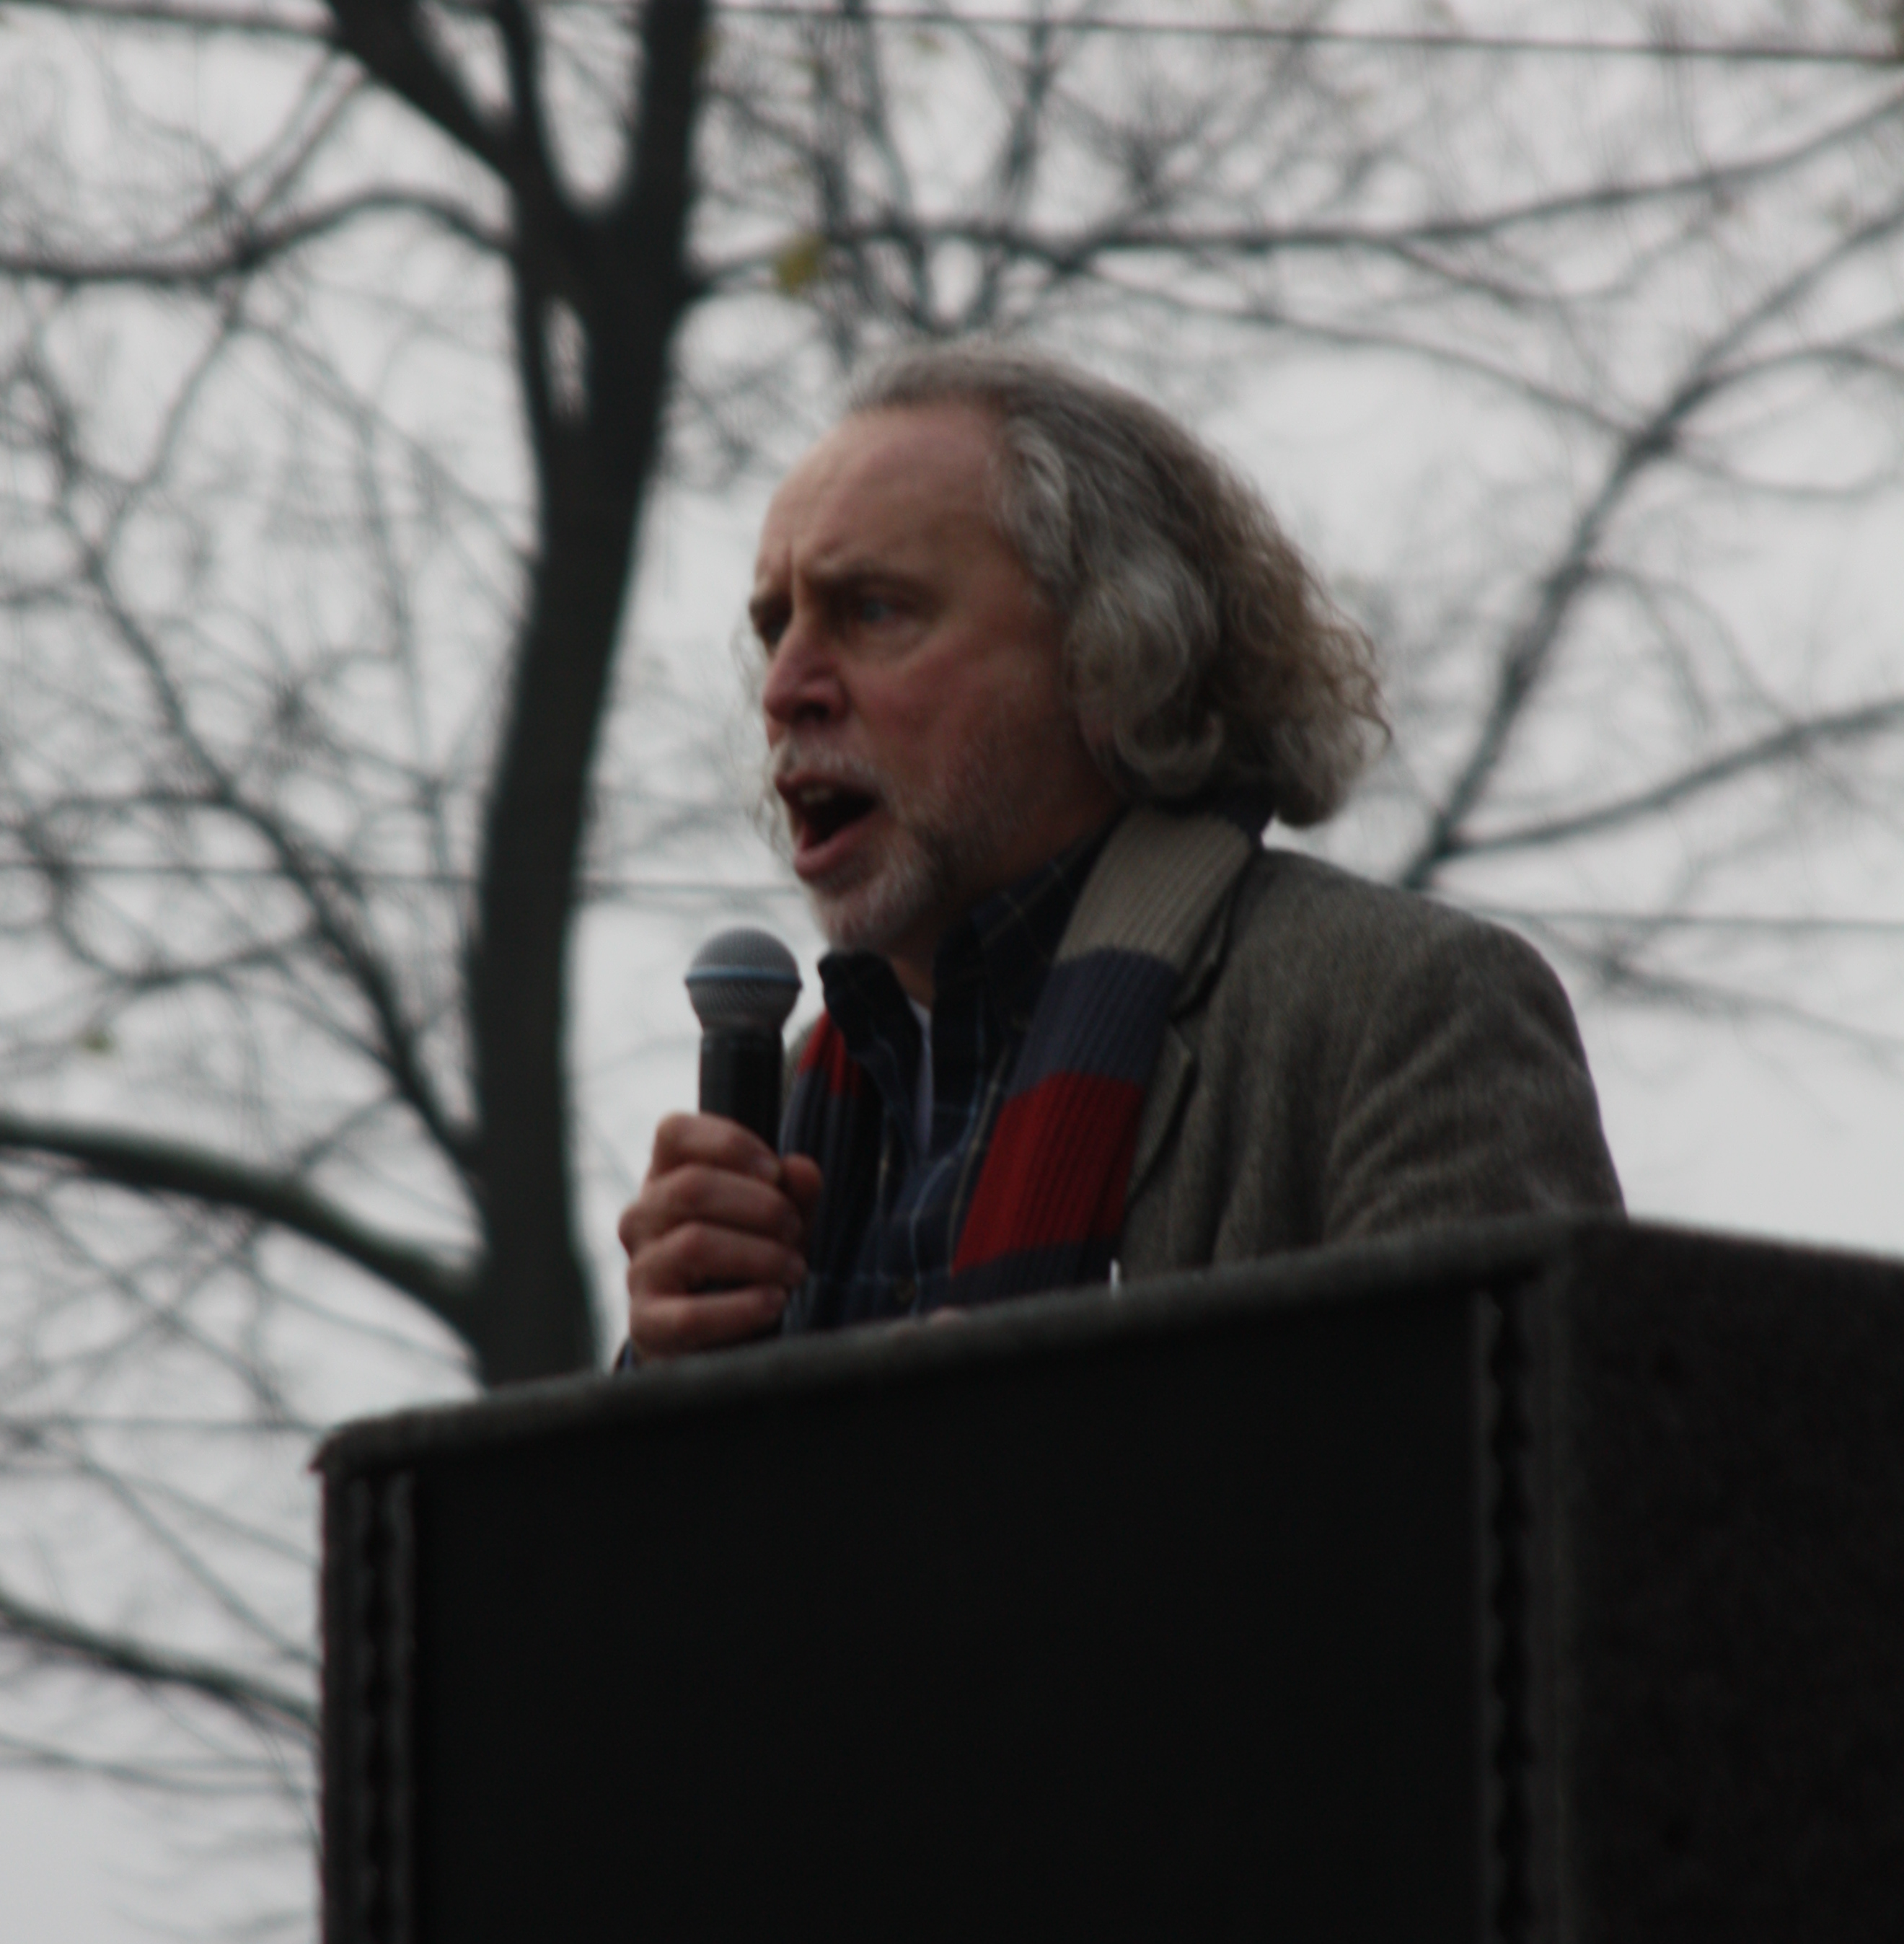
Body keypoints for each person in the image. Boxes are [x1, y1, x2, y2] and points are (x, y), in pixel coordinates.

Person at [619, 350, 1621, 1359]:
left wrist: (1066, 1440)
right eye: (775, 628)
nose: (784, 689)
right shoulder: (790, 1108)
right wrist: (660, 1376)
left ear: (1115, 656)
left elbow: (1511, 1447)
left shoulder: (1405, 1011)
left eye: (873, 611)